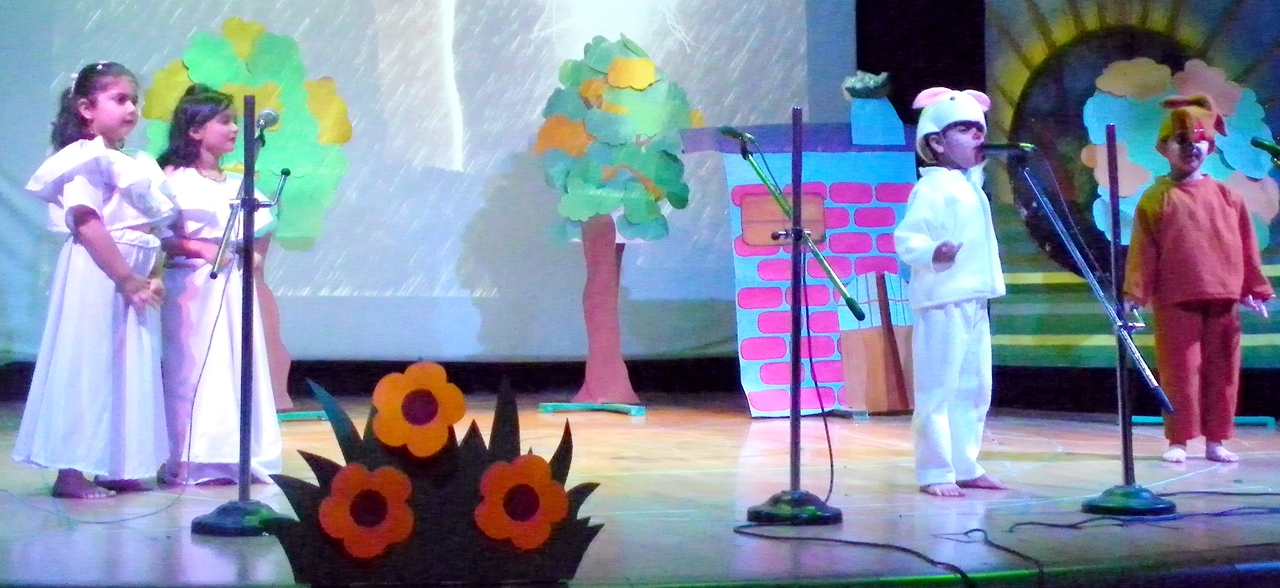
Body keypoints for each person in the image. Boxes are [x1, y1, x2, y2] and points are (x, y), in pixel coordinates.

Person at [13, 61, 174, 498]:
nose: (131, 109)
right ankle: (71, 472)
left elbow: (154, 228)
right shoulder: (84, 159)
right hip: (101, 273)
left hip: (135, 278)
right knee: (89, 364)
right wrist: (126, 278)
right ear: (86, 108)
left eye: (134, 100)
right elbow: (87, 223)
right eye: (119, 99)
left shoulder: (136, 162)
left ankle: (119, 464)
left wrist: (154, 274)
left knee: (127, 368)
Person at [1124, 95, 1274, 464]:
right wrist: (1135, 293)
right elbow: (1143, 250)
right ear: (1164, 147)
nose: (1191, 148)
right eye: (1182, 141)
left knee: (1222, 373)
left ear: (1210, 146)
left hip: (1222, 299)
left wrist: (1253, 289)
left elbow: (1246, 246)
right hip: (1175, 299)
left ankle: (1216, 439)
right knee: (1180, 372)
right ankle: (1179, 439)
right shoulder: (1156, 198)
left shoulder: (1228, 197)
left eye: (1199, 140)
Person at [157, 84, 282, 485]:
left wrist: (254, 255)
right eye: (225, 121)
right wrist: (197, 247)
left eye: (235, 121)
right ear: (195, 130)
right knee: (193, 368)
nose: (234, 129)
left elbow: (263, 223)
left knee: (235, 366)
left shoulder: (235, 184)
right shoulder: (172, 180)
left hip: (233, 287)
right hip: (191, 288)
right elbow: (157, 234)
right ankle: (191, 457)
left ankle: (236, 455)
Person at [893, 87, 1008, 497]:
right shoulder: (933, 188)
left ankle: (965, 463)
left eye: (980, 129)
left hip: (973, 296)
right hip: (942, 297)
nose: (978, 136)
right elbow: (907, 238)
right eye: (964, 129)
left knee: (974, 387)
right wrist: (933, 253)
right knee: (938, 388)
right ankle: (935, 470)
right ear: (937, 142)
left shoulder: (970, 185)